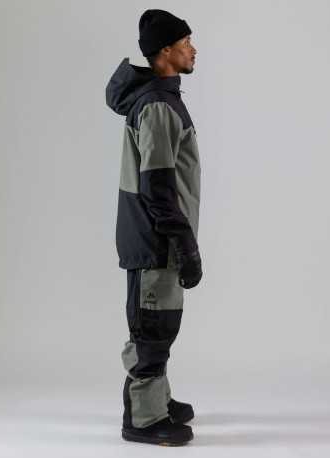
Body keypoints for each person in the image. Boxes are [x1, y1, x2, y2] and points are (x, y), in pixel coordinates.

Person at [105, 9, 202, 446]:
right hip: (156, 240)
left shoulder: (161, 98)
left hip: (157, 237)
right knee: (152, 328)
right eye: (185, 42)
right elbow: (158, 187)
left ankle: (156, 399)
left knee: (160, 321)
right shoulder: (159, 105)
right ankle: (143, 419)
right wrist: (185, 246)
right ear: (165, 51)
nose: (193, 49)